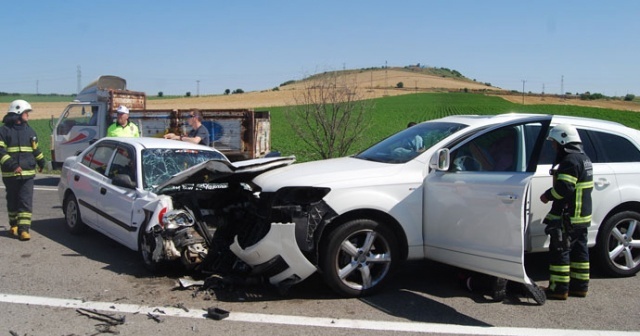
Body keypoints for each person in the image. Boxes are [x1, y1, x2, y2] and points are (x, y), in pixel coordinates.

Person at [540, 124, 593, 300]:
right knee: (580, 251)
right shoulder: (584, 159)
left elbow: (564, 188)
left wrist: (547, 196)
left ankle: (558, 289)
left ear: (563, 141)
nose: (554, 146)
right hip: (581, 216)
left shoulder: (570, 161)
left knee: (560, 250)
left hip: (567, 216)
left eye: (554, 143)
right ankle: (580, 287)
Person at [0, 100, 46, 241]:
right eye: (26, 113)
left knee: (25, 200)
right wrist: (13, 165)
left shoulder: (30, 131)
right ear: (18, 113)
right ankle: (14, 224)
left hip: (28, 173)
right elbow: (0, 151)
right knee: (13, 200)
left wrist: (41, 161)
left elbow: (35, 148)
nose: (28, 115)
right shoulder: (4, 131)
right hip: (11, 173)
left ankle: (24, 230)